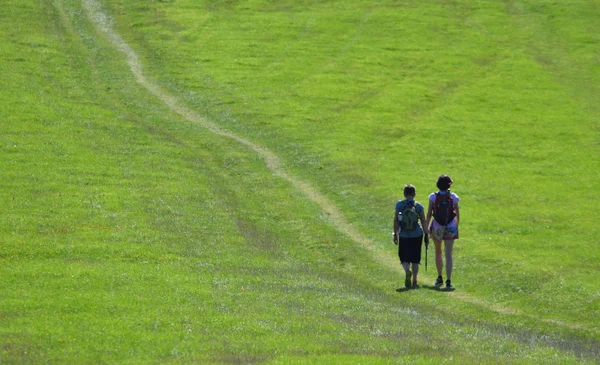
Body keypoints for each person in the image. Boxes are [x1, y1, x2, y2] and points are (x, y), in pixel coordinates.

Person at [426, 174, 460, 289]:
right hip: (450, 227)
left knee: (438, 252)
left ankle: (439, 277)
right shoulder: (454, 197)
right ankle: (449, 280)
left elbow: (429, 214)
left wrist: (427, 229)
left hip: (437, 226)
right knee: (448, 254)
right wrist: (455, 227)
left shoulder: (433, 197)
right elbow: (457, 216)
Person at [393, 184, 429, 289]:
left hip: (403, 235)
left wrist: (395, 234)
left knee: (403, 257)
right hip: (417, 235)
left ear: (404, 194)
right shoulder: (418, 206)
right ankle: (414, 281)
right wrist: (426, 234)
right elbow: (423, 221)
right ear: (414, 194)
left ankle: (407, 271)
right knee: (415, 258)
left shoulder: (399, 205)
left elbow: (395, 220)